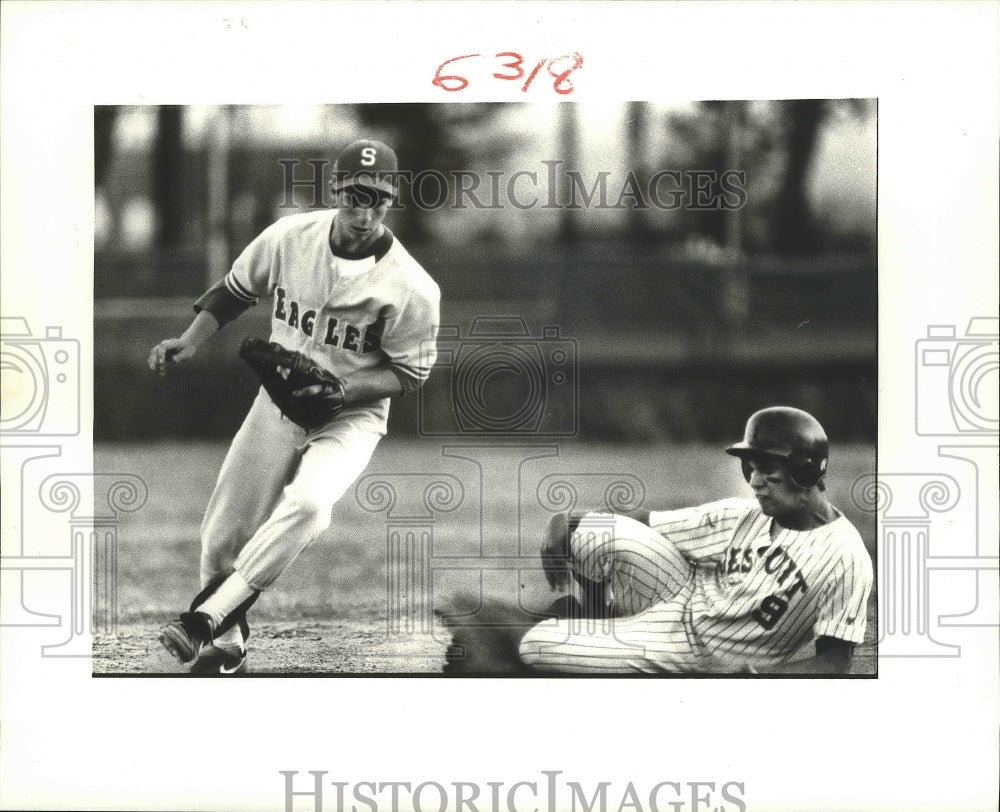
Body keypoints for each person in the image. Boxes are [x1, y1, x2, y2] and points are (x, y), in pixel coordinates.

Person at [148, 139, 440, 674]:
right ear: (336, 191)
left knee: (310, 504)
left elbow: (410, 372)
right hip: (278, 406)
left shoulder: (413, 286)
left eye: (377, 198)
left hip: (352, 417)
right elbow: (236, 289)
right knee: (222, 536)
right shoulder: (289, 237)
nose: (364, 210)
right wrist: (189, 340)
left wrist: (344, 391)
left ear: (391, 198)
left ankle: (205, 619)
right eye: (355, 195)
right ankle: (228, 639)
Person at [518, 406, 873, 675]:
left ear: (805, 470)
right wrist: (564, 519)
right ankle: (597, 621)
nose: (754, 482)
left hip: (697, 650)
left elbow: (835, 662)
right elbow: (645, 520)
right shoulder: (745, 515)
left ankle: (607, 637)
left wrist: (760, 678)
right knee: (592, 533)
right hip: (678, 591)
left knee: (534, 645)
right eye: (750, 469)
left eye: (766, 470)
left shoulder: (845, 556)